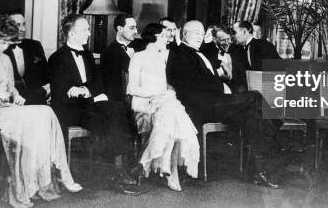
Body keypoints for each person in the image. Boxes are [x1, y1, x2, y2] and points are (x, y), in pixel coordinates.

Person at [0, 14, 82, 208]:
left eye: (8, 42)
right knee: (32, 124)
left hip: (7, 109)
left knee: (45, 113)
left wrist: (15, 94)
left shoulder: (5, 59)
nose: (5, 47)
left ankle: (52, 178)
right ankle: (26, 188)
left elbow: (10, 86)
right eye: (2, 41)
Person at [166, 20, 281, 188]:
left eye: (202, 33)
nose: (199, 36)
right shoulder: (179, 53)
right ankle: (281, 139)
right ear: (184, 34)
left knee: (253, 116)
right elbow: (190, 84)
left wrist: (222, 81)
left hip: (214, 102)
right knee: (254, 97)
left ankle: (259, 171)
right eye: (195, 33)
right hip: (201, 106)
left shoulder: (198, 53)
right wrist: (220, 85)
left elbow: (207, 78)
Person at [49, 14, 141, 195]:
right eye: (85, 30)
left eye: (88, 29)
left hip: (87, 103)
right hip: (70, 109)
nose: (89, 34)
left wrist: (85, 90)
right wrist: (85, 93)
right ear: (71, 33)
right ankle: (113, 171)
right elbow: (62, 93)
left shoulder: (88, 55)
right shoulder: (57, 58)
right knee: (102, 121)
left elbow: (99, 83)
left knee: (118, 108)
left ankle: (116, 169)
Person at [127, 23, 199, 191]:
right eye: (163, 36)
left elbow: (168, 85)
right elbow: (132, 88)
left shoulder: (163, 57)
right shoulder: (138, 57)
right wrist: (156, 94)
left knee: (171, 113)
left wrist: (163, 94)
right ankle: (170, 171)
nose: (167, 39)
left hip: (162, 103)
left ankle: (151, 162)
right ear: (153, 38)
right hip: (144, 103)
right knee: (173, 114)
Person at [4, 11, 49, 105]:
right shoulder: (1, 49)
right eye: (18, 25)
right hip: (12, 103)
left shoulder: (35, 45)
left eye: (24, 24)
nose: (23, 29)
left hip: (36, 101)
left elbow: (46, 75)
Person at [101, 13, 138, 103]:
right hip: (122, 101)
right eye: (131, 28)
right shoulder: (109, 52)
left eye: (136, 27)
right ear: (120, 29)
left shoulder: (141, 46)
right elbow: (111, 86)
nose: (136, 31)